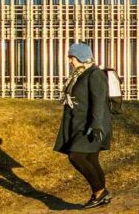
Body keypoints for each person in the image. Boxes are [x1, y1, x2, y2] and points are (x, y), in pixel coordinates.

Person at [54, 42, 113, 209]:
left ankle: (100, 192)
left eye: (72, 57)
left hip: (92, 125)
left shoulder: (95, 74)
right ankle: (101, 194)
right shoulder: (80, 74)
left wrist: (96, 125)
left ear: (80, 57)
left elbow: (99, 101)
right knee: (90, 158)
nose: (70, 61)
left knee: (77, 156)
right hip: (81, 123)